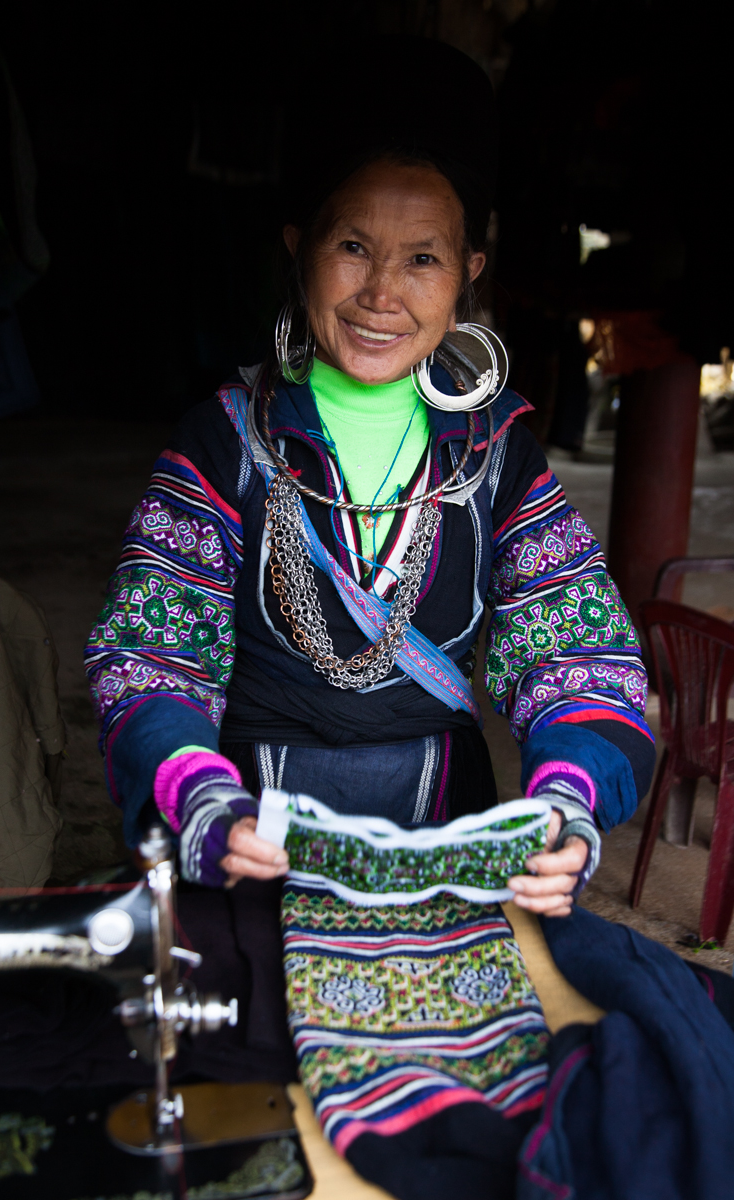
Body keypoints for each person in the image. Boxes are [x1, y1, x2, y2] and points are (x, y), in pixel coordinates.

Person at [85, 39, 654, 918]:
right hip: (245, 840)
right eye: (353, 245)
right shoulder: (224, 441)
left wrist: (567, 803)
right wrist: (197, 795)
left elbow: (579, 658)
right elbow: (152, 657)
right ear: (298, 247)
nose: (383, 292)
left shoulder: (498, 453)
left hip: (443, 847)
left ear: (468, 274)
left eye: (422, 258)